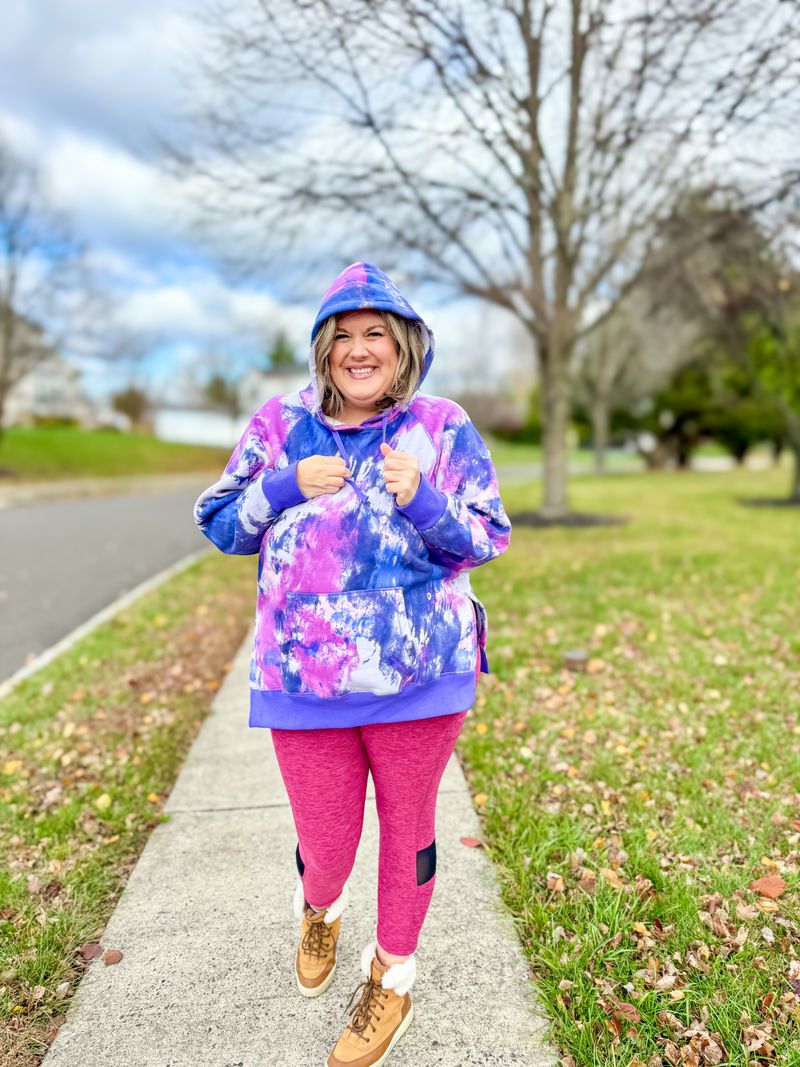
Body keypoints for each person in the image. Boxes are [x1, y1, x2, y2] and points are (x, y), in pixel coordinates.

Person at [193, 261, 511, 1066]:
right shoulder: (280, 423)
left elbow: (487, 536)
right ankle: (320, 905)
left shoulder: (441, 427)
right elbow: (222, 523)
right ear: (323, 349)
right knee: (326, 842)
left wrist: (426, 501)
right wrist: (283, 486)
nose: (360, 349)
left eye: (377, 334)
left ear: (404, 347)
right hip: (305, 681)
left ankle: (394, 975)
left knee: (408, 831)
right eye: (344, 335)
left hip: (422, 675)